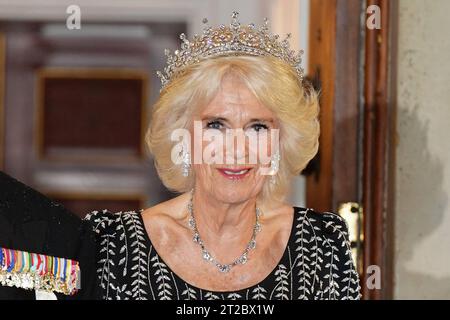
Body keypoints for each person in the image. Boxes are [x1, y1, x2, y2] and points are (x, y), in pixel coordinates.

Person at [83, 12, 361, 300]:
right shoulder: (116, 245)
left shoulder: (321, 245)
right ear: (185, 137)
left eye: (257, 126)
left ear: (279, 143)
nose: (236, 149)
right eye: (216, 125)